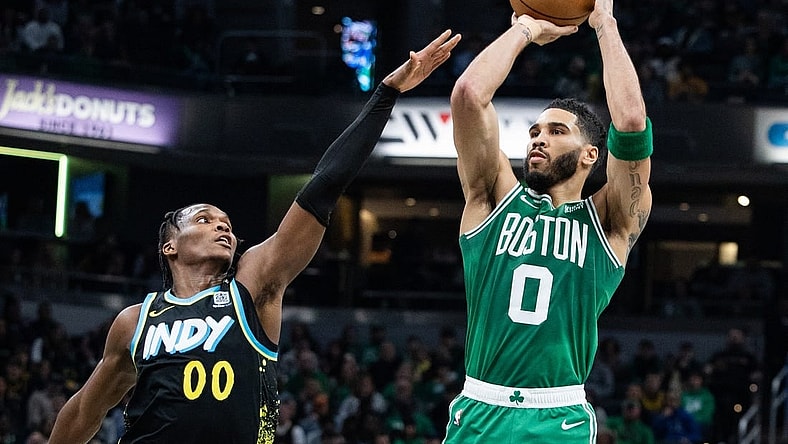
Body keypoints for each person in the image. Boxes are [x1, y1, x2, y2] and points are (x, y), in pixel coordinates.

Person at [47, 29, 462, 444]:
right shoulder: (136, 321)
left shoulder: (254, 284)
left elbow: (324, 187)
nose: (222, 225)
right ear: (169, 246)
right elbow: (86, 410)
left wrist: (385, 93)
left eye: (226, 221)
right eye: (205, 219)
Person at [444, 0, 653, 441]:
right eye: (535, 131)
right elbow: (468, 95)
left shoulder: (609, 220)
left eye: (557, 132)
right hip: (481, 405)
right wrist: (525, 29)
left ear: (590, 156)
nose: (539, 139)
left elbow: (632, 121)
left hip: (559, 413)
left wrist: (604, 23)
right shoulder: (492, 197)